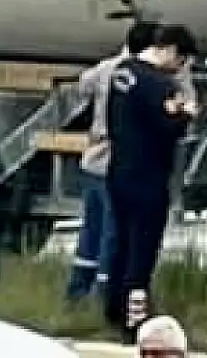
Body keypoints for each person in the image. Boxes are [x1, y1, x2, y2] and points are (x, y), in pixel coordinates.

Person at [103, 24, 198, 339]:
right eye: (181, 61)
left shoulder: (122, 72)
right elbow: (169, 128)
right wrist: (186, 114)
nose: (179, 69)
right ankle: (134, 320)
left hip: (119, 171)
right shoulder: (159, 84)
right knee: (142, 252)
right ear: (170, 50)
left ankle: (113, 309)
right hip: (149, 176)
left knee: (122, 244)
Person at [66, 21, 163, 304]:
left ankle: (77, 289)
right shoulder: (143, 75)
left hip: (93, 158)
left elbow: (82, 86)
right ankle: (104, 291)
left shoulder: (107, 68)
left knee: (91, 229)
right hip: (116, 162)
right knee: (114, 232)